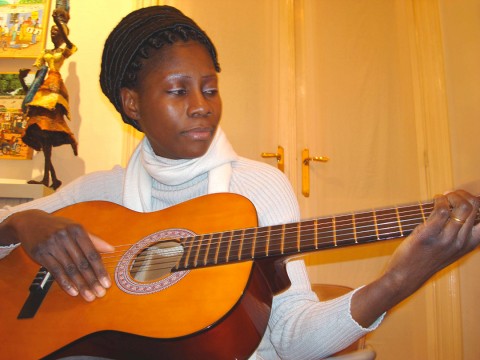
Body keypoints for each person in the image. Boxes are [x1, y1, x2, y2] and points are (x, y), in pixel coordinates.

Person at [0, 5, 479, 360]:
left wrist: (400, 278)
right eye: (177, 91)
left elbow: (293, 339)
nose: (202, 105)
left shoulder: (258, 189)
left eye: (210, 89)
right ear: (131, 103)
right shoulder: (98, 194)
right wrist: (24, 222)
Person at [19, 8, 78, 190]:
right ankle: (50, 177)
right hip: (44, 90)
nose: (53, 33)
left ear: (62, 33)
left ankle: (49, 178)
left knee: (47, 133)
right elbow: (35, 80)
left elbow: (70, 45)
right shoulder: (45, 52)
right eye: (52, 31)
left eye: (56, 31)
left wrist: (60, 21)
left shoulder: (64, 51)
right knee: (42, 134)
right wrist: (22, 80)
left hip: (55, 91)